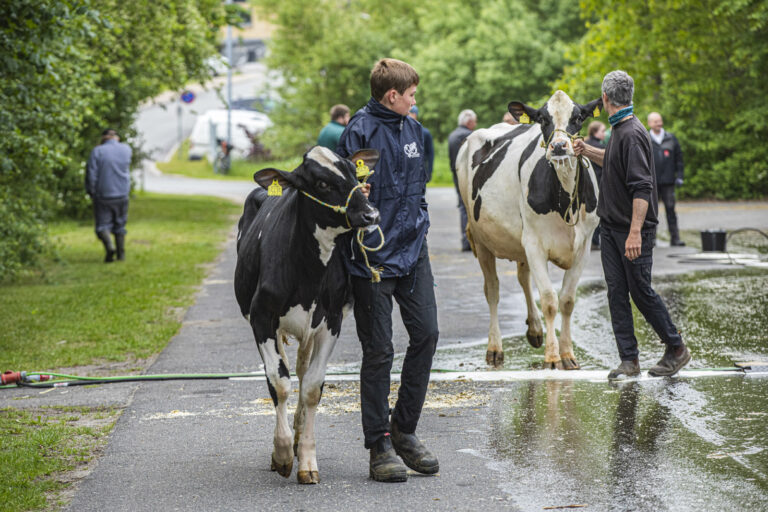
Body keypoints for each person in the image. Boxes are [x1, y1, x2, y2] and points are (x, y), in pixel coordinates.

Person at [336, 58, 440, 483]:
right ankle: (378, 444)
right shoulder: (357, 132)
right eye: (412, 94)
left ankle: (404, 430)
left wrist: (419, 223)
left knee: (428, 334)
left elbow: (420, 188)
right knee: (379, 351)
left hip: (414, 252)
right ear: (392, 95)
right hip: (371, 260)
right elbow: (338, 197)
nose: (416, 100)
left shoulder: (417, 132)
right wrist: (352, 194)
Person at [573, 70, 690, 380]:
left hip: (632, 229)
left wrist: (636, 232)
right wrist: (587, 151)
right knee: (616, 292)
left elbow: (642, 187)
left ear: (606, 99)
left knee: (640, 291)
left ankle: (676, 348)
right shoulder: (619, 130)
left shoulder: (632, 133)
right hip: (611, 228)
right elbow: (612, 160)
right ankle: (629, 360)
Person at [85, 128, 132, 263]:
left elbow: (91, 174)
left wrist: (91, 191)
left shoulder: (97, 151)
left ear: (103, 137)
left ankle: (110, 248)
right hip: (122, 193)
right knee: (120, 224)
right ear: (116, 137)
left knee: (102, 226)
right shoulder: (126, 150)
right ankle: (121, 254)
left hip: (103, 194)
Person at [647, 112, 686, 246]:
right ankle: (651, 239)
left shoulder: (671, 138)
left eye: (660, 121)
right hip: (652, 182)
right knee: (651, 211)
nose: (659, 123)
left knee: (670, 209)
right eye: (655, 121)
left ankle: (675, 238)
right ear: (649, 123)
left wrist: (680, 176)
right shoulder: (646, 138)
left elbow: (679, 159)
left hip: (669, 181)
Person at [447, 109, 477, 251]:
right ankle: (470, 241)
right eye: (474, 122)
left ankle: (464, 239)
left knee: (462, 207)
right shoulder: (470, 136)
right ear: (469, 122)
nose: (475, 124)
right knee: (469, 208)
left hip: (456, 175)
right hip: (468, 176)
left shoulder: (452, 135)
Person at [585, 120, 606, 250]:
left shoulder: (584, 143)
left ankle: (590, 239)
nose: (604, 134)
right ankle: (595, 241)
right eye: (603, 131)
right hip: (598, 183)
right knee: (598, 212)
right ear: (595, 132)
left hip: (584, 184)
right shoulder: (599, 147)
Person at [408, 105, 434, 181]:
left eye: (410, 113)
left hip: (421, 168)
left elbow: (430, 154)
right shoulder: (402, 130)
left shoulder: (425, 132)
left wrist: (429, 171)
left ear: (415, 115)